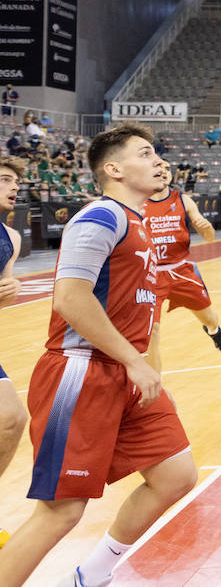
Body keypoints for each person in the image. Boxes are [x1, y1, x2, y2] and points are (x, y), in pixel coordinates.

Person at [0, 124, 197, 587]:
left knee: (175, 476)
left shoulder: (138, 223)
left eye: (157, 153)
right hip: (82, 372)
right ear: (113, 169)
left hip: (126, 375)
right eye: (146, 154)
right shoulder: (99, 218)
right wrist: (132, 359)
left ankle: (91, 575)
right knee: (62, 511)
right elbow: (70, 298)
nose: (159, 161)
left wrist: (140, 363)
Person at [143, 159, 221, 370]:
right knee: (151, 331)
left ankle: (214, 331)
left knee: (210, 318)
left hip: (181, 270)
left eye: (167, 169)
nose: (163, 172)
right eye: (158, 168)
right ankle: (155, 385)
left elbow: (209, 237)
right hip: (150, 275)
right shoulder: (137, 202)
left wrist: (207, 228)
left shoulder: (183, 201)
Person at [0, 159, 29, 545]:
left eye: (17, 182)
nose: (15, 186)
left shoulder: (12, 238)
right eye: (5, 179)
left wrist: (9, 292)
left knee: (11, 420)